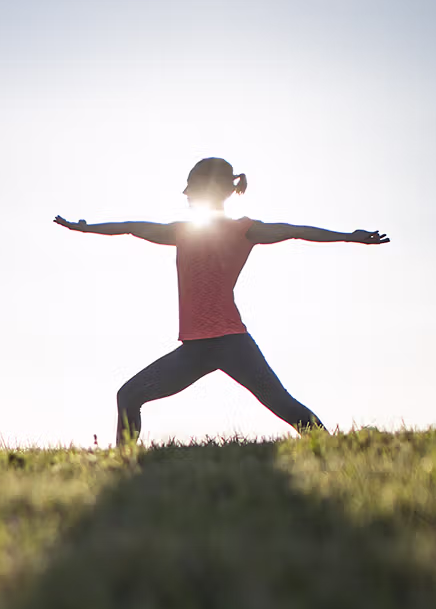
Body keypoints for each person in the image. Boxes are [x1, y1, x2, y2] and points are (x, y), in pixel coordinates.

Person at [55, 156, 389, 445]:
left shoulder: (243, 230)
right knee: (129, 396)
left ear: (210, 190)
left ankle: (332, 448)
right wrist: (85, 229)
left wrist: (349, 237)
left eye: (191, 189)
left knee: (284, 406)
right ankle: (122, 463)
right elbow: (131, 227)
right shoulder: (182, 231)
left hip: (232, 344)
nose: (186, 196)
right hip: (195, 350)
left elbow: (296, 230)